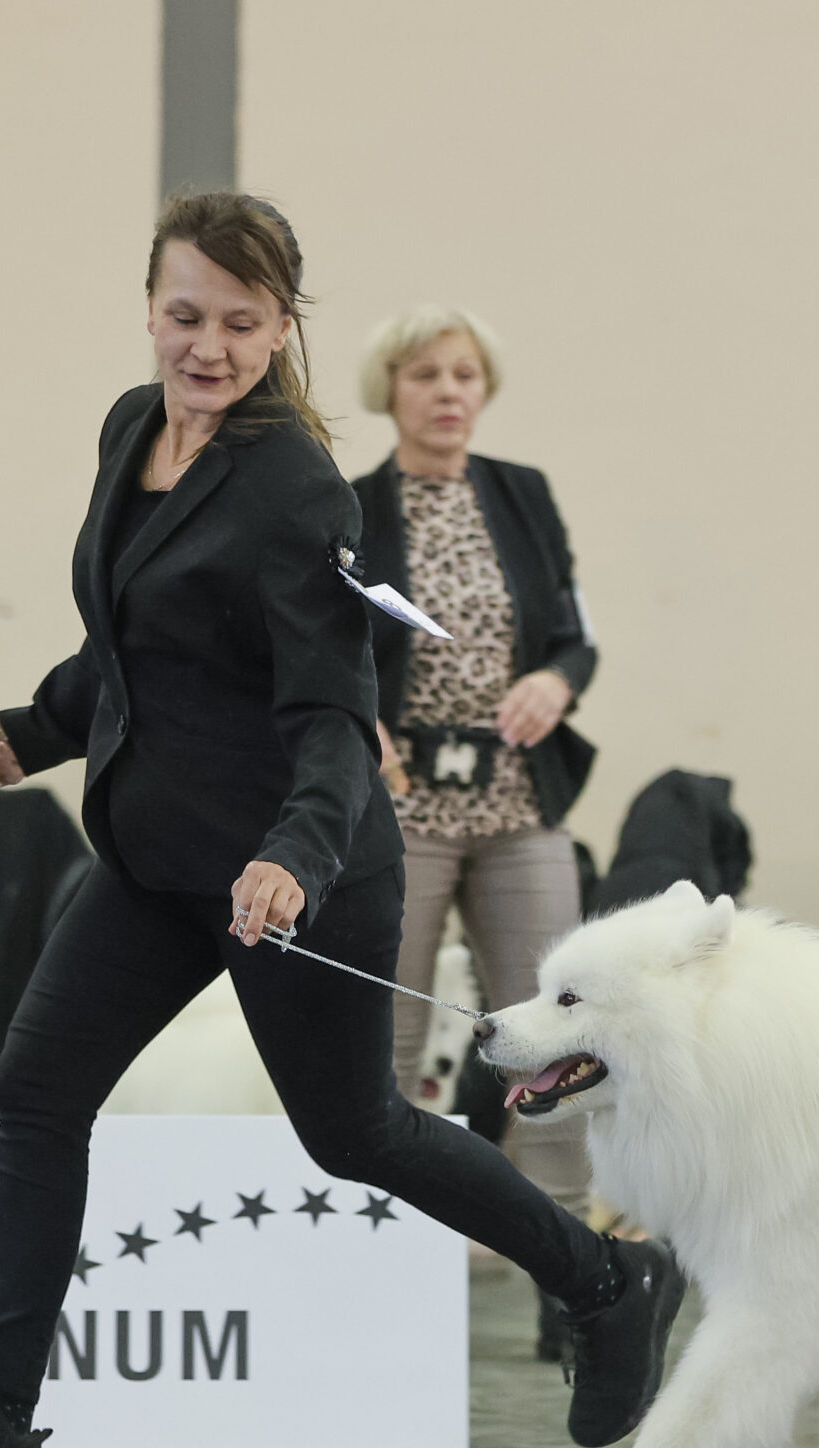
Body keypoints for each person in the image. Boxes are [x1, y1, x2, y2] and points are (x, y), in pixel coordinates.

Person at [0, 193, 682, 1448]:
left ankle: (608, 1279)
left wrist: (292, 853)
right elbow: (127, 653)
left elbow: (334, 712)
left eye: (241, 322)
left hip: (297, 872)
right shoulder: (131, 428)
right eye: (185, 315)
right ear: (149, 307)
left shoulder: (294, 485)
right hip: (157, 861)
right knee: (37, 1084)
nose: (209, 346)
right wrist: (21, 734)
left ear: (282, 325)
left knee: (356, 1132)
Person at [349, 306, 601, 1360]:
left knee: (560, 1042)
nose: (448, 392)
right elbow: (321, 644)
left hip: (515, 801)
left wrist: (555, 682)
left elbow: (573, 636)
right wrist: (355, 722)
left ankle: (577, 1292)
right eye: (425, 374)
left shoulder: (522, 494)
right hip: (400, 805)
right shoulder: (352, 507)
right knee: (384, 1054)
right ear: (390, 390)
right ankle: (382, 1286)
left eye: (464, 374)